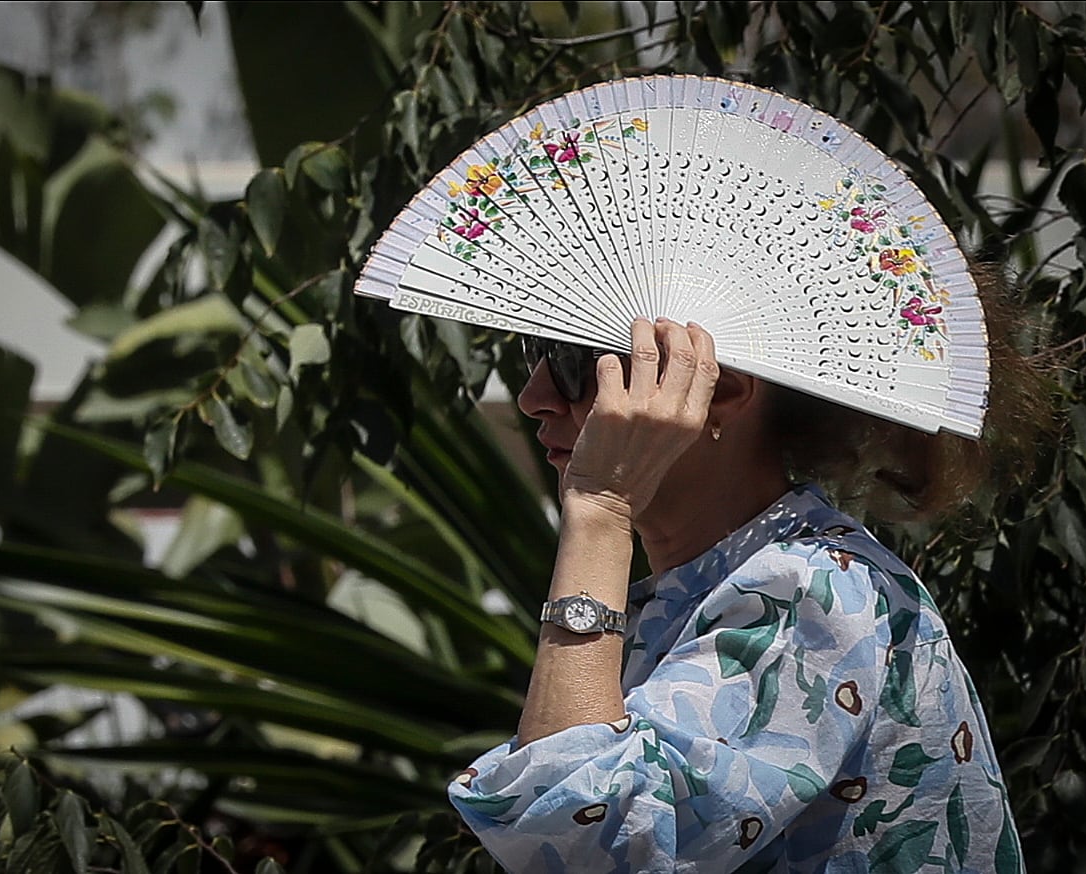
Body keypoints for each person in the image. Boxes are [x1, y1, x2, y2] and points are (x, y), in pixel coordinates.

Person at [446, 265, 1048, 872]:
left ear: (722, 391)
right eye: (535, 351)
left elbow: (579, 841)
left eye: (576, 360)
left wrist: (601, 507)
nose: (533, 397)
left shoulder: (812, 591)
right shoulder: (711, 589)